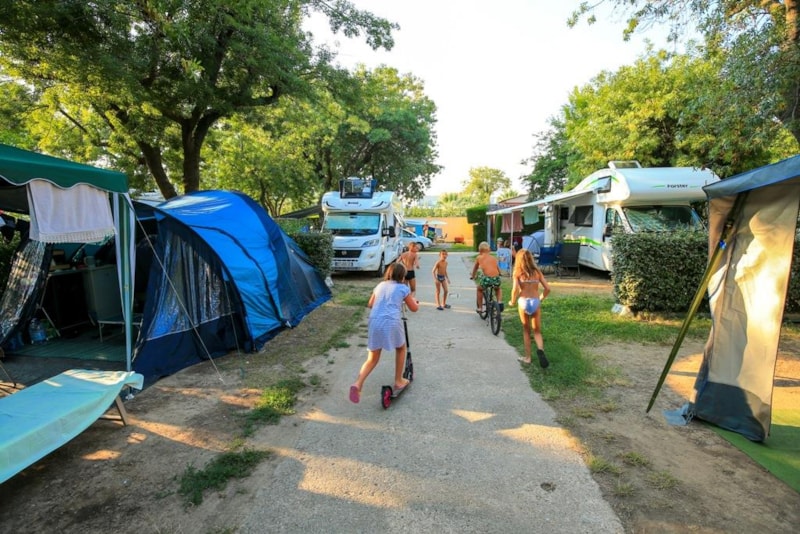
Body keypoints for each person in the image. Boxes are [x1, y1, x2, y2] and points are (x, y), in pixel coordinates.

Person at [350, 263, 419, 403]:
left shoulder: (380, 285)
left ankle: (358, 383)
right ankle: (399, 380)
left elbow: (370, 304)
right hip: (391, 321)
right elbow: (414, 308)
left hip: (375, 321)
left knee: (372, 358)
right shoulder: (403, 288)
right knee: (400, 348)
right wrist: (415, 302)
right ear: (402, 275)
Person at [508, 249, 551, 367]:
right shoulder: (537, 272)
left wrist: (512, 301)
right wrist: (541, 298)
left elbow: (515, 289)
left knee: (526, 331)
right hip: (535, 302)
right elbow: (548, 288)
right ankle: (540, 350)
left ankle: (528, 358)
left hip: (523, 302)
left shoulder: (517, 272)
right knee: (537, 331)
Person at [470, 241, 502, 313]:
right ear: (489, 250)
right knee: (498, 288)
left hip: (487, 279)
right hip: (496, 278)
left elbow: (475, 268)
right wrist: (500, 274)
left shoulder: (479, 257)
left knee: (479, 289)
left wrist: (473, 276)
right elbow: (497, 267)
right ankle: (499, 301)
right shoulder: (493, 258)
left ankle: (480, 308)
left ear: (480, 251)